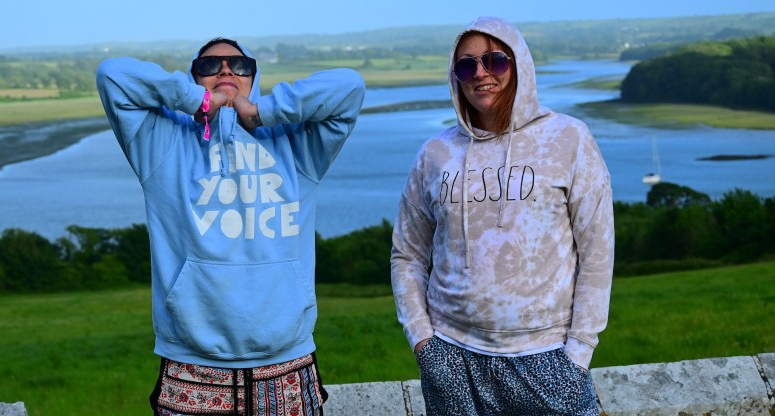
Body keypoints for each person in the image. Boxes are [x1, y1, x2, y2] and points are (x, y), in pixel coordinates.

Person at [96, 37, 365, 416]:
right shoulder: (163, 144)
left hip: (287, 363)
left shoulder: (295, 145)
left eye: (240, 66)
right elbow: (113, 75)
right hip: (191, 364)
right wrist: (200, 103)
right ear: (194, 79)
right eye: (210, 66)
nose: (225, 71)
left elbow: (349, 86)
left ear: (254, 78)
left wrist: (260, 112)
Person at [390, 16, 614, 416]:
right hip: (451, 354)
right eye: (466, 66)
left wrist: (578, 354)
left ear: (519, 64)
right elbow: (407, 254)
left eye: (494, 61)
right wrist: (423, 342)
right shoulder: (435, 153)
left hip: (546, 356)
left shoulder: (568, 138)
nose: (480, 74)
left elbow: (597, 251)